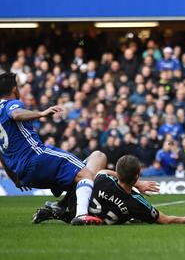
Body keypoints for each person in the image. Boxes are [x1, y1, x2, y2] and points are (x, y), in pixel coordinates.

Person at [0, 72, 107, 225]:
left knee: (93, 162)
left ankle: (58, 207)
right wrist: (42, 113)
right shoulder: (11, 104)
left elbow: (1, 155)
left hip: (24, 174)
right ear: (14, 89)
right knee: (86, 175)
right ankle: (81, 215)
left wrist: (15, 179)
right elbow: (16, 114)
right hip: (36, 158)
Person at [34, 155, 185, 225]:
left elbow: (103, 170)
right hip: (96, 217)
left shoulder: (102, 179)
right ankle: (59, 210)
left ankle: (60, 207)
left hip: (75, 207)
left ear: (118, 173)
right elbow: (165, 219)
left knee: (97, 158)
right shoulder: (137, 203)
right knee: (137, 220)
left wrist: (137, 183)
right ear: (136, 176)